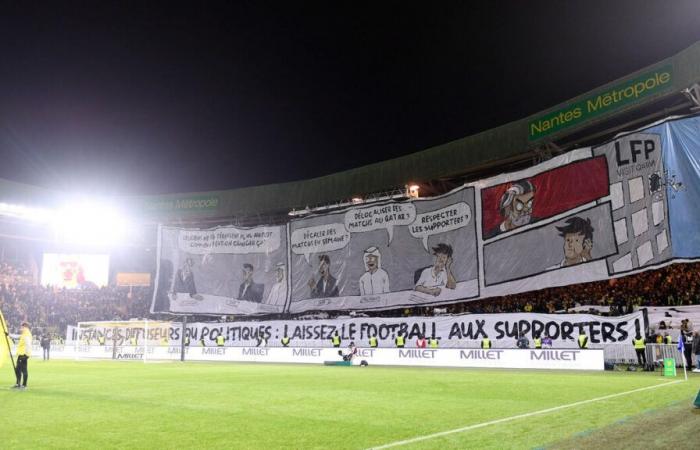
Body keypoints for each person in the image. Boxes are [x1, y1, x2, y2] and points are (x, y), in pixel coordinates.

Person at [13, 322, 32, 390]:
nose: (21, 328)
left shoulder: (27, 334)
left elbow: (28, 345)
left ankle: (24, 385)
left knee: (24, 370)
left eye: (21, 327)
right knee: (17, 370)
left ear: (25, 326)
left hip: (24, 355)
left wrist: (27, 355)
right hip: (21, 354)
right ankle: (18, 384)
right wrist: (8, 335)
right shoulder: (24, 334)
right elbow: (17, 337)